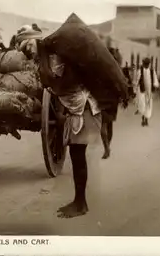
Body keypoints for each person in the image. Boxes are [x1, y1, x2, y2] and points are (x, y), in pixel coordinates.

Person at [15, 26, 102, 218]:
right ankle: (79, 201)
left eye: (28, 44)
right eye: (22, 48)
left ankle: (81, 204)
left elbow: (71, 79)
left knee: (77, 155)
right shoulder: (42, 60)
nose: (26, 49)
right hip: (75, 108)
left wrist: (56, 85)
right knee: (76, 155)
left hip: (83, 106)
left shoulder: (56, 56)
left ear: (36, 40)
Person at [100, 48, 128, 159]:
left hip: (109, 100)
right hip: (105, 100)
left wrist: (124, 98)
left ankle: (107, 146)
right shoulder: (107, 69)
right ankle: (107, 147)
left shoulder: (112, 69)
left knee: (108, 124)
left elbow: (122, 84)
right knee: (105, 125)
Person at [135, 57, 159, 126]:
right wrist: (136, 88)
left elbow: (155, 80)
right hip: (142, 91)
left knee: (148, 105)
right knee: (142, 105)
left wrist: (155, 86)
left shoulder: (152, 71)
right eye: (145, 64)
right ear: (143, 63)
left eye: (147, 64)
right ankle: (143, 119)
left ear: (149, 64)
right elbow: (137, 80)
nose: (146, 65)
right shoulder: (140, 71)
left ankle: (146, 120)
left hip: (149, 91)